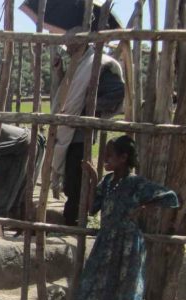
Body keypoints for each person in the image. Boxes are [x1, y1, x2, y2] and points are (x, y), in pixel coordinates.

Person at [66, 136, 179, 300]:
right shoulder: (108, 182)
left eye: (110, 155)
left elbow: (170, 197)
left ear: (124, 158)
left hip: (128, 244)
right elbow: (91, 208)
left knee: (126, 291)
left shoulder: (136, 183)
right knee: (103, 286)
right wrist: (94, 179)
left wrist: (145, 207)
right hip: (107, 242)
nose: (105, 159)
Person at [50, 28, 125, 226]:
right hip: (68, 129)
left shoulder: (99, 64)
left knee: (76, 178)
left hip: (81, 132)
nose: (67, 46)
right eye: (67, 43)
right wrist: (59, 71)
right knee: (71, 177)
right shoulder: (79, 64)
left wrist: (90, 106)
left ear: (83, 42)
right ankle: (72, 216)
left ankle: (73, 219)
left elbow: (117, 93)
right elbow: (67, 93)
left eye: (71, 42)